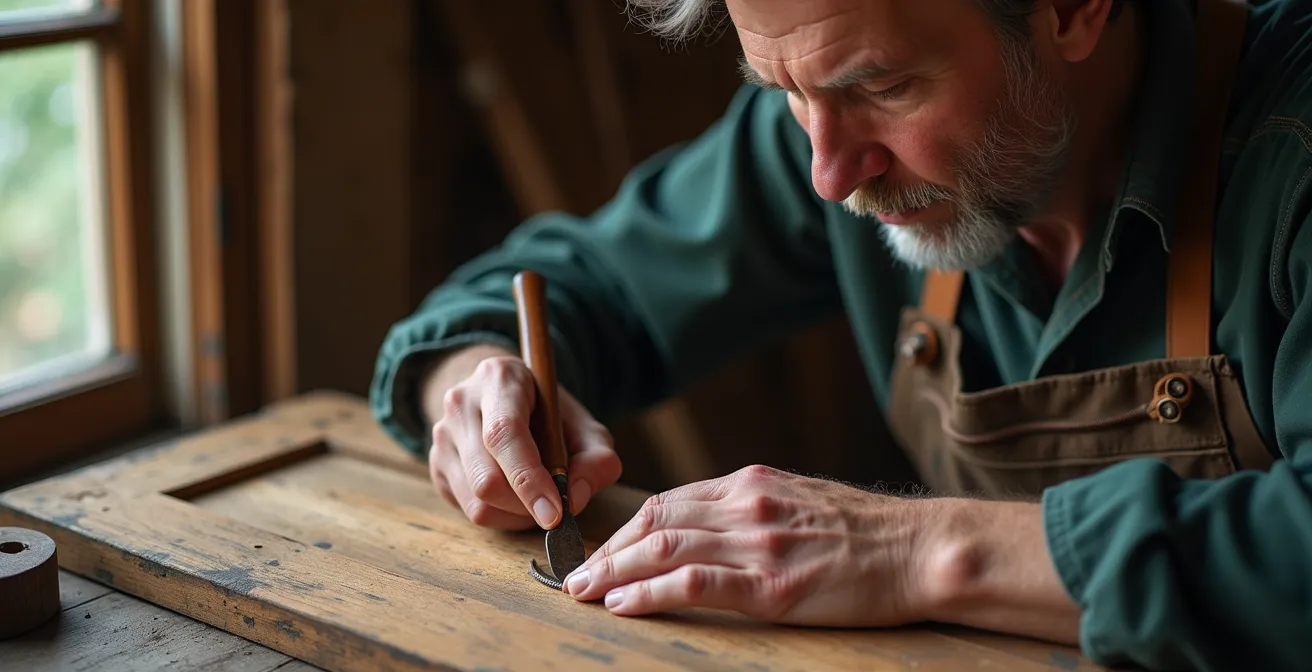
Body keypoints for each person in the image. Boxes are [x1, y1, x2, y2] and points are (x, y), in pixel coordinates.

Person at [369, 0, 1312, 669]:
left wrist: (914, 551)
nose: (827, 172)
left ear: (1072, 9)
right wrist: (475, 380)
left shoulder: (1291, 156)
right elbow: (573, 284)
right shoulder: (826, 125)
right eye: (783, 89)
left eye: (888, 87)